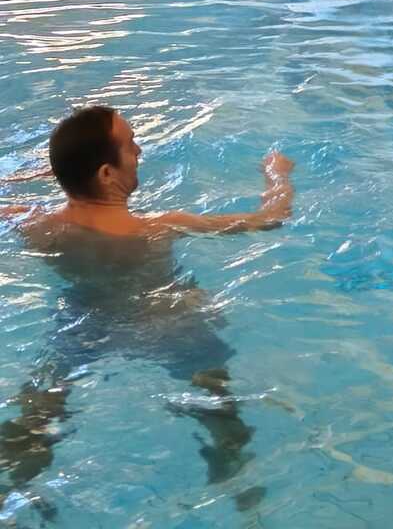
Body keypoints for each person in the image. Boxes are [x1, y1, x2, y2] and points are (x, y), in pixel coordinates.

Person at [0, 106, 295, 504]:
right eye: (131, 144)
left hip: (82, 327)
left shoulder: (34, 225)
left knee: (37, 415)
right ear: (107, 174)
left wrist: (42, 173)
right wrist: (278, 174)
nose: (139, 151)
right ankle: (241, 492)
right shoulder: (161, 227)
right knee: (220, 411)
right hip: (166, 326)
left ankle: (11, 487)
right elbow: (272, 217)